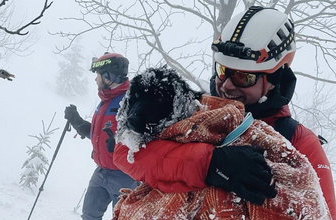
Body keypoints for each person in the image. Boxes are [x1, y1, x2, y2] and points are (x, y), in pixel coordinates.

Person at [113, 6, 336, 218]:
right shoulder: (196, 112)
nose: (227, 85)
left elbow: (322, 213)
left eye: (244, 77)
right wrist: (208, 164)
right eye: (222, 71)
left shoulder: (298, 141)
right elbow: (126, 151)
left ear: (275, 81)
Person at [64, 52, 138, 220]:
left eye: (97, 75)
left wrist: (120, 141)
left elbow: (142, 137)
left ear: (108, 76)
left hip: (125, 177)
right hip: (101, 172)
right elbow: (100, 134)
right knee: (89, 216)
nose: (95, 79)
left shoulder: (130, 101)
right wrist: (77, 121)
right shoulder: (105, 101)